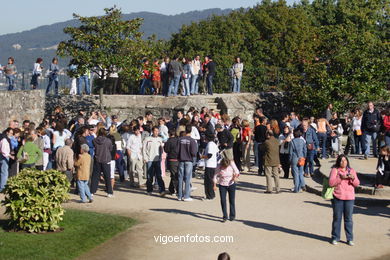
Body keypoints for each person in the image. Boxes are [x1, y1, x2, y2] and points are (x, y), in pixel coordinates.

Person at [329, 154, 360, 246]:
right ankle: (335, 237)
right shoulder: (335, 170)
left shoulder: (352, 171)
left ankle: (349, 238)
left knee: (348, 219)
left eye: (345, 160)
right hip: (338, 197)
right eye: (342, 161)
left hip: (349, 198)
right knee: (337, 218)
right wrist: (340, 178)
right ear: (338, 162)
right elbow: (331, 183)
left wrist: (353, 178)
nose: (344, 162)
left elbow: (357, 184)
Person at [213, 158, 239, 222]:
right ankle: (225, 216)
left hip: (231, 184)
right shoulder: (218, 166)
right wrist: (214, 185)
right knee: (223, 200)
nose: (224, 168)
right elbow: (215, 176)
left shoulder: (231, 164)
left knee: (231, 200)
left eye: (226, 166)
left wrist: (235, 177)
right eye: (223, 166)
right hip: (222, 185)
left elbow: (237, 171)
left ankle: (232, 216)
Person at [91, 128, 114, 197]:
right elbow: (110, 149)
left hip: (97, 159)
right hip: (106, 159)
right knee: (107, 176)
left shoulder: (94, 140)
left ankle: (92, 191)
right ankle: (109, 192)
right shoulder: (108, 141)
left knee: (95, 176)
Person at [177, 125, 198, 201]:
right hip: (189, 160)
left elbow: (177, 150)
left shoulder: (180, 139)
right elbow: (194, 152)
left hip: (181, 160)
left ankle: (179, 195)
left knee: (180, 178)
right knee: (187, 178)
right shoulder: (192, 140)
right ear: (191, 131)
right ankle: (186, 196)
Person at [143, 126, 166, 196]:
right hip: (149, 160)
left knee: (159, 175)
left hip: (157, 160)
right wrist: (145, 158)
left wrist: (160, 157)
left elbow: (161, 149)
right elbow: (144, 149)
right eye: (155, 131)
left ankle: (162, 190)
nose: (156, 132)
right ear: (152, 131)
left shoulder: (160, 139)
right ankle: (149, 190)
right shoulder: (147, 139)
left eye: (157, 131)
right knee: (149, 176)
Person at [202, 134, 218, 200]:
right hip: (213, 164)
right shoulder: (214, 144)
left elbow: (209, 155)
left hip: (210, 164)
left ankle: (210, 195)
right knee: (210, 180)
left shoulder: (210, 144)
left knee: (208, 181)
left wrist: (202, 156)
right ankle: (211, 195)